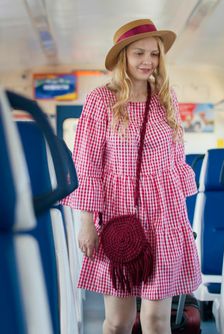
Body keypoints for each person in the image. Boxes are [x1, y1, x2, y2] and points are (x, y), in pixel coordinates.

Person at [61, 19, 202, 334]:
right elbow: (86, 163)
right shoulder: (101, 100)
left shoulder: (167, 97)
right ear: (122, 55)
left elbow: (175, 158)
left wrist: (180, 222)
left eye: (154, 54)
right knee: (118, 322)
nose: (147, 61)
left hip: (164, 213)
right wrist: (86, 223)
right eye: (139, 53)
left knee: (156, 320)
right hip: (117, 213)